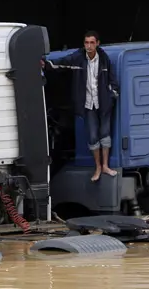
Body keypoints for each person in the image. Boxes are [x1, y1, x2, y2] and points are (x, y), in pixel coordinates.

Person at [42, 30, 119, 182]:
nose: (89, 46)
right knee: (92, 137)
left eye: (91, 42)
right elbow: (63, 62)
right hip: (88, 104)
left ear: (97, 43)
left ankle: (105, 166)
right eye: (86, 42)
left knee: (105, 134)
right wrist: (46, 64)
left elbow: (112, 80)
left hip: (103, 103)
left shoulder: (104, 59)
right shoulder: (78, 58)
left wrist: (112, 94)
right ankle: (97, 167)